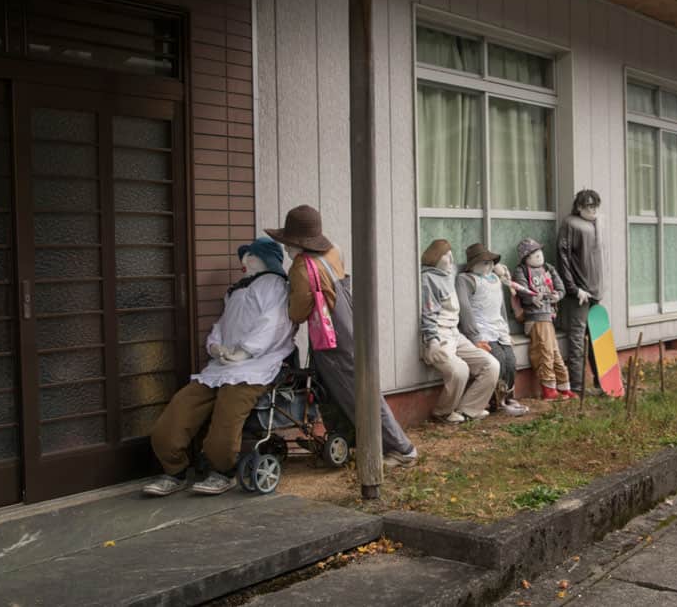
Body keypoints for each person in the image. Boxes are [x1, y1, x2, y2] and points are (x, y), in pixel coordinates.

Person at [267, 204, 418, 468]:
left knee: (359, 395)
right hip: (350, 328)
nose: (286, 248)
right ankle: (345, 441)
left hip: (332, 341)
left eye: (287, 243)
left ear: (293, 242)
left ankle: (401, 449)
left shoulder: (301, 267)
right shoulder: (331, 253)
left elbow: (297, 312)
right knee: (335, 392)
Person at [145, 237, 294, 496]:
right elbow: (223, 324)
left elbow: (274, 324)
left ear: (265, 260)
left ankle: (222, 471)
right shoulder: (236, 290)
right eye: (244, 257)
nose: (244, 261)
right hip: (220, 367)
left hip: (255, 367)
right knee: (178, 412)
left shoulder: (275, 285)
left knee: (227, 419)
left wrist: (244, 351)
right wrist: (215, 346)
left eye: (250, 256)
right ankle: (174, 471)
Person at [420, 239, 500, 423]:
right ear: (435, 257)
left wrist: (496, 268)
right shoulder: (428, 279)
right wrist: (432, 341)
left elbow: (467, 265)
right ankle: (443, 413)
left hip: (455, 334)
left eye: (451, 255)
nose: (451, 259)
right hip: (438, 335)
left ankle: (469, 410)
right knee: (459, 370)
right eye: (446, 255)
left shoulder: (450, 272)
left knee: (491, 365)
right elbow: (427, 313)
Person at [455, 243, 528, 417]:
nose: (488, 266)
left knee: (510, 360)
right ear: (473, 264)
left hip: (498, 328)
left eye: (490, 262)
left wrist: (506, 331)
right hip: (482, 330)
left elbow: (501, 307)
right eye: (484, 262)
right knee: (498, 359)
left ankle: (508, 396)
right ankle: (497, 400)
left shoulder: (494, 279)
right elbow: (465, 309)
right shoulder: (465, 280)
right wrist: (474, 336)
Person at [513, 238, 574, 400]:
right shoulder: (521, 270)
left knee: (554, 352)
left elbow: (560, 287)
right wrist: (532, 298)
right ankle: (548, 389)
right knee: (545, 352)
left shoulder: (548, 268)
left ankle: (563, 386)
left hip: (549, 316)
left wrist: (557, 295)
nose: (538, 255)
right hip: (535, 317)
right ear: (526, 258)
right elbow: (521, 290)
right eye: (533, 253)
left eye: (539, 251)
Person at [558, 189, 604, 394]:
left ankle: (603, 382)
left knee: (599, 338)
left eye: (595, 205)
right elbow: (563, 257)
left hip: (595, 293)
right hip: (579, 295)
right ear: (579, 207)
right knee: (577, 340)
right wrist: (573, 289)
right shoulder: (570, 224)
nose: (593, 210)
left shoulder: (597, 224)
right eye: (589, 206)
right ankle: (577, 386)